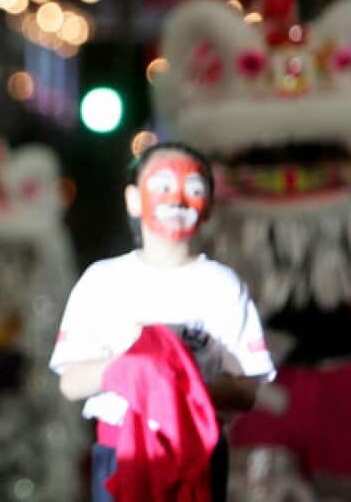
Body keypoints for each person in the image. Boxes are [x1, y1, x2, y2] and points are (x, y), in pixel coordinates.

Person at [50, 142, 275, 502]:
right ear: (133, 199)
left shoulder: (222, 284)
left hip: (199, 452)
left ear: (210, 207)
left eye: (195, 189)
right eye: (163, 187)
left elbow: (246, 389)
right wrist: (127, 372)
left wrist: (180, 390)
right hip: (120, 452)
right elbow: (70, 382)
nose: (178, 201)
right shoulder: (102, 280)